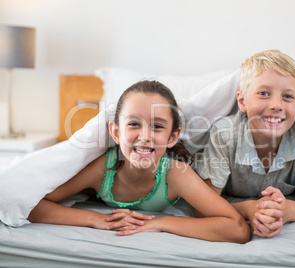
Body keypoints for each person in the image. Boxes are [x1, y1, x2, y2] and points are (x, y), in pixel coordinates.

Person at [28, 80, 250, 244]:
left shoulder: (175, 173)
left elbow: (237, 228)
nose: (145, 136)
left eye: (157, 126)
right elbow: (30, 205)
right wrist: (95, 219)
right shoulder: (101, 169)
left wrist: (159, 223)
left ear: (173, 137)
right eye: (134, 124)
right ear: (115, 132)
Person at [196, 49, 295, 238]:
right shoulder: (225, 135)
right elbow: (201, 208)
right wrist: (247, 208)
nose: (276, 105)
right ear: (242, 101)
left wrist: (288, 211)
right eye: (263, 93)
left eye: (288, 96)